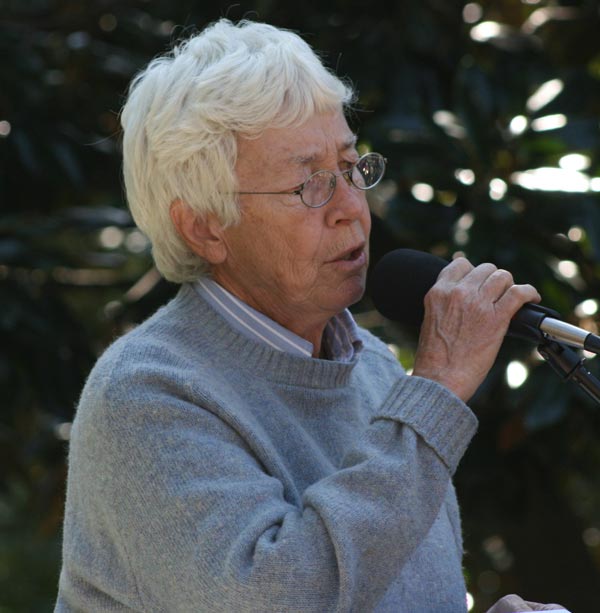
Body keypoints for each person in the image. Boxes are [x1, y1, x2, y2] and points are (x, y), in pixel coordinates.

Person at [55, 19, 567, 613]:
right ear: (204, 226)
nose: (353, 208)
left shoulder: (374, 370)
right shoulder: (146, 393)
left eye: (352, 167)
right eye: (309, 186)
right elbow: (282, 598)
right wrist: (440, 385)